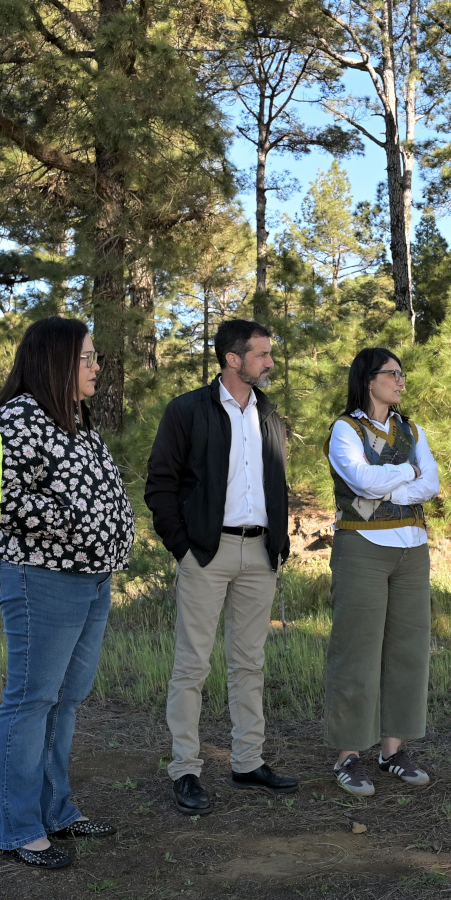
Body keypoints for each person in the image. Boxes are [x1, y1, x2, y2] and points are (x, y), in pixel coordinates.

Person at [0, 318, 135, 869]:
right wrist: (76, 523)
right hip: (41, 577)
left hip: (92, 578)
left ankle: (57, 811)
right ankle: (19, 829)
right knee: (31, 701)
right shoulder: (19, 418)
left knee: (65, 700)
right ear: (55, 361)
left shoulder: (75, 420)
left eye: (96, 357)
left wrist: (108, 531)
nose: (97, 367)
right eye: (88, 358)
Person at [146, 320, 298, 817]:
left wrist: (280, 543)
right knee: (192, 666)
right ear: (232, 359)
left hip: (260, 555)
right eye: (261, 354)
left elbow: (275, 482)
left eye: (269, 354)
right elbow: (161, 483)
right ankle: (185, 769)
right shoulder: (188, 410)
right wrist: (183, 548)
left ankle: (247, 762)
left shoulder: (269, 414)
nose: (270, 362)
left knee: (249, 664)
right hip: (205, 554)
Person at [324, 347, 442, 796]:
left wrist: (395, 475)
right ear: (368, 379)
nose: (400, 380)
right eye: (392, 373)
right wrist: (407, 471)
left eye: (402, 373)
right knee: (357, 650)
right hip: (362, 548)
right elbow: (360, 481)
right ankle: (348, 754)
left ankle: (392, 750)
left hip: (413, 550)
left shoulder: (412, 430)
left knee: (409, 650)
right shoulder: (345, 429)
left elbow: (429, 484)